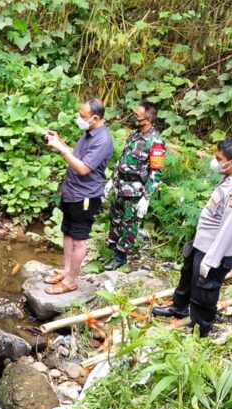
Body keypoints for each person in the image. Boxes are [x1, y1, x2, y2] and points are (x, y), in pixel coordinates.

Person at [153, 137, 232, 336]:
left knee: (204, 290)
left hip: (217, 251)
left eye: (218, 158)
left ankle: (201, 331)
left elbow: (229, 227)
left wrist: (212, 260)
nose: (214, 161)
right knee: (187, 275)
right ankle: (179, 307)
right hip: (204, 243)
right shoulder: (230, 177)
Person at [43, 98, 114, 294]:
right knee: (67, 232)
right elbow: (76, 155)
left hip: (86, 196)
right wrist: (60, 142)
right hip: (72, 192)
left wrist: (60, 149)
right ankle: (66, 272)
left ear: (96, 118)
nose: (79, 119)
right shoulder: (88, 133)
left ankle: (71, 281)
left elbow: (83, 168)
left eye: (83, 116)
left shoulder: (103, 140)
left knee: (78, 239)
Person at [104, 101, 166, 270]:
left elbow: (156, 172)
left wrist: (146, 198)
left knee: (128, 223)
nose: (134, 116)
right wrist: (111, 180)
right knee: (115, 218)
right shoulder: (134, 135)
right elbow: (122, 160)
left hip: (135, 191)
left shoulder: (155, 142)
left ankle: (121, 257)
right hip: (120, 186)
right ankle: (113, 249)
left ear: (148, 118)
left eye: (138, 114)